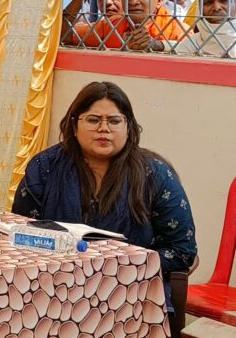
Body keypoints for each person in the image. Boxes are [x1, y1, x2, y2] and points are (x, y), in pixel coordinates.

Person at [12, 81, 196, 297]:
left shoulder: (154, 174)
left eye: (114, 121)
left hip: (130, 292)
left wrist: (119, 268)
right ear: (74, 125)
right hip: (52, 287)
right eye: (93, 120)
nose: (104, 129)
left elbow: (182, 251)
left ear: (128, 127)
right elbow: (22, 234)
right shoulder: (45, 167)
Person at [74, 0, 187, 51]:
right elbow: (66, 35)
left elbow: (190, 52)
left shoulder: (178, 30)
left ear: (158, 1)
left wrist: (157, 45)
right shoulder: (110, 26)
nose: (133, 2)